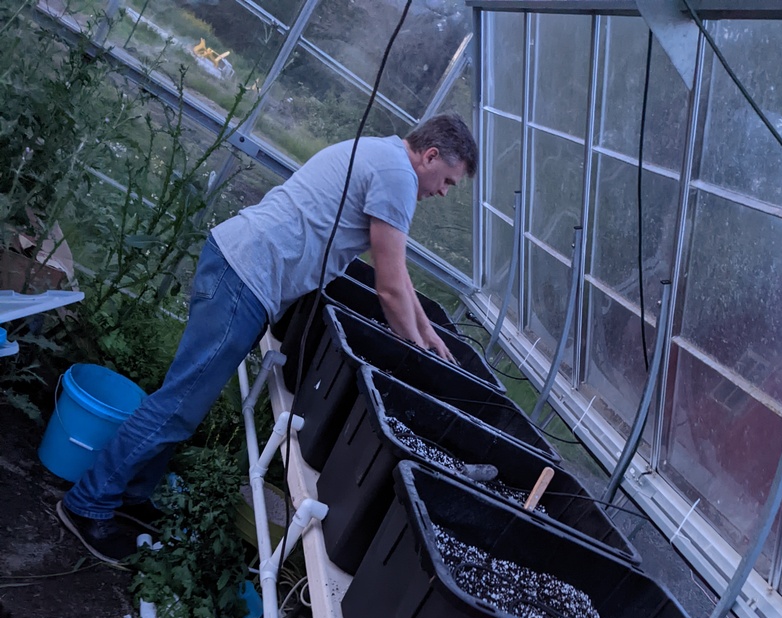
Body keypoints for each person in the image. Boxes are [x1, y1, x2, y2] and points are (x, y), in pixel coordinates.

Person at [56, 112, 477, 566]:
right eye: (448, 181)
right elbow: (390, 287)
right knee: (177, 407)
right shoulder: (396, 174)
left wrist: (427, 333)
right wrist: (417, 359)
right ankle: (88, 504)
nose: (442, 192)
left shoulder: (385, 155)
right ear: (430, 156)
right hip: (245, 278)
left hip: (240, 269)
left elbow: (400, 277)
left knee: (181, 404)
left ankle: (130, 493)